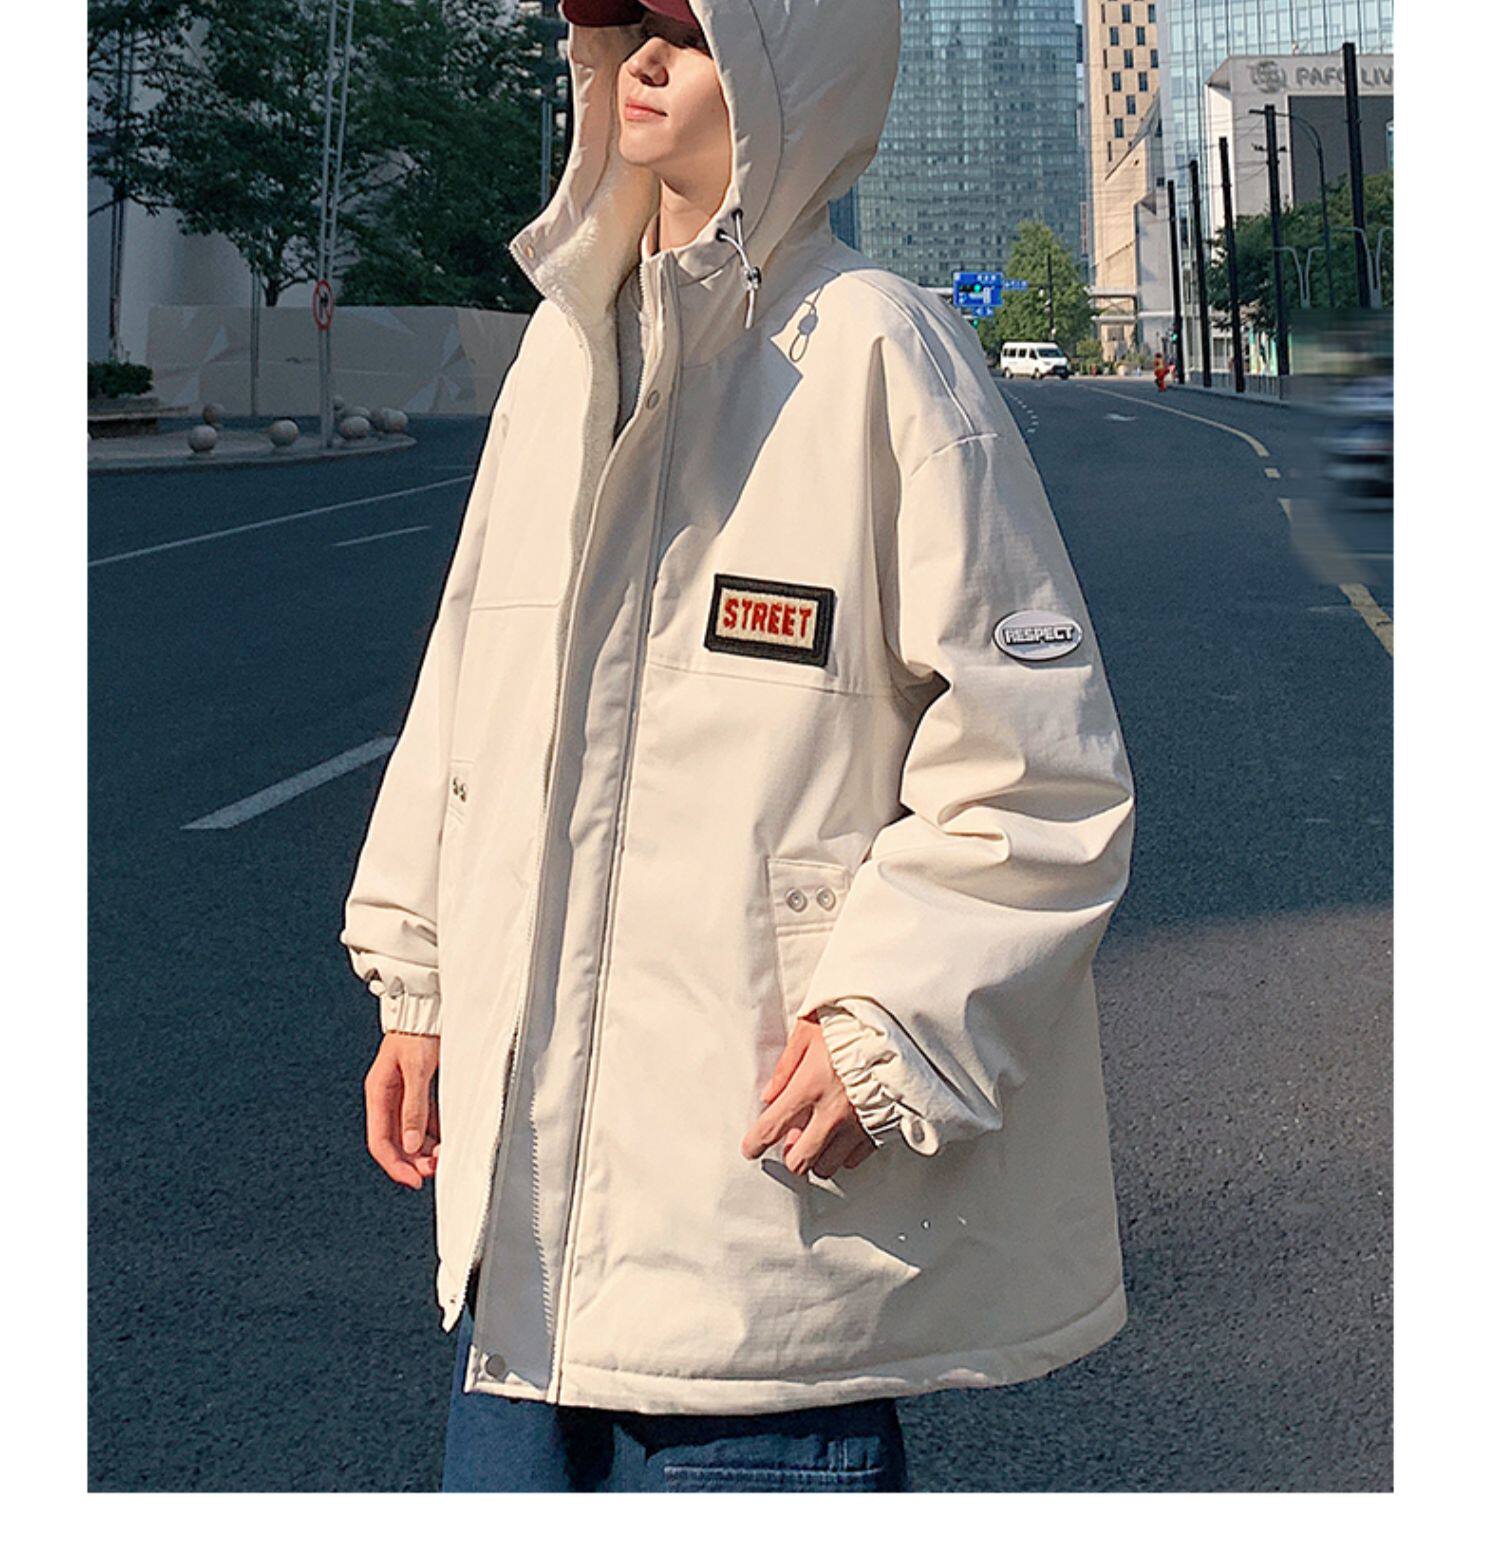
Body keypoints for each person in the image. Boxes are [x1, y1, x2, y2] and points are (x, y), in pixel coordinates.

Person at [340, 0, 1136, 1494]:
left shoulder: (878, 348)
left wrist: (894, 1019)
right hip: (523, 1268)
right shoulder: (564, 349)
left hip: (757, 1248)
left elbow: (1037, 769)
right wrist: (420, 975)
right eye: (614, 23)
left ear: (790, 61)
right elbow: (468, 678)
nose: (637, 60)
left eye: (683, 28)